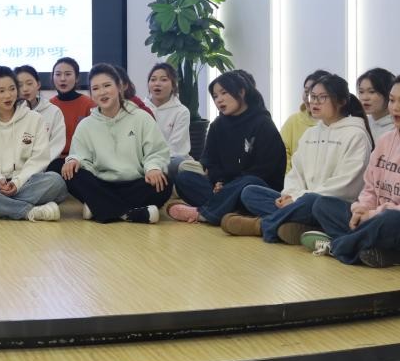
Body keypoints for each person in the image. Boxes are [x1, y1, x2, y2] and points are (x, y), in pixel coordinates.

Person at [296, 72, 400, 267]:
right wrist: (362, 209)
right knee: (323, 204)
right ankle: (378, 251)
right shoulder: (386, 141)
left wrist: (375, 215)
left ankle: (338, 246)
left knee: (392, 221)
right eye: (392, 100)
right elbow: (370, 188)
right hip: (377, 219)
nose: (395, 108)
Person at [221, 73, 372, 242]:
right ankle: (304, 226)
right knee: (250, 192)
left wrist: (298, 199)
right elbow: (296, 172)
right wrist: (290, 195)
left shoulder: (356, 135)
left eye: (322, 97)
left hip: (331, 205)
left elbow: (346, 186)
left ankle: (263, 225)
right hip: (301, 201)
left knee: (314, 201)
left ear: (342, 101)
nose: (314, 102)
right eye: (312, 96)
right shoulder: (311, 133)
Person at [55, 63, 171, 223]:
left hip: (135, 183)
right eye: (95, 88)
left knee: (165, 183)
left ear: (119, 87)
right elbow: (80, 156)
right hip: (101, 184)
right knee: (70, 173)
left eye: (107, 85)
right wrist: (74, 160)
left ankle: (99, 208)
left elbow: (156, 152)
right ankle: (129, 213)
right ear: (91, 94)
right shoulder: (86, 125)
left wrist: (153, 168)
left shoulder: (141, 117)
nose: (102, 92)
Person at [168, 70, 287, 224]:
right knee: (184, 179)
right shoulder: (217, 126)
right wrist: (218, 181)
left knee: (248, 183)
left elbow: (265, 171)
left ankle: (205, 213)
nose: (219, 100)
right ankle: (228, 210)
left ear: (241, 92)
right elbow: (210, 162)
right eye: (215, 96)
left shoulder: (263, 124)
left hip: (255, 188)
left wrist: (229, 184)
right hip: (224, 187)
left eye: (224, 93)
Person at [0, 67, 66, 220]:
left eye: (12, 89)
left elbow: (39, 158)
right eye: (1, 91)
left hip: (25, 182)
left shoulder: (35, 119)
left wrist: (17, 182)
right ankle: (27, 212)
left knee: (56, 182)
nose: (8, 95)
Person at [146, 62, 193, 180]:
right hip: (146, 160)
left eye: (163, 79)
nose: (157, 83)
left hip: (171, 160)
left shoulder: (181, 111)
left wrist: (155, 165)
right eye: (153, 79)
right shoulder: (140, 109)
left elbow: (175, 148)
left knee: (177, 162)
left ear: (173, 85)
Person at [281, 69, 332, 170]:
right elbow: (281, 153)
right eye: (306, 91)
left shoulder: (336, 124)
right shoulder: (293, 121)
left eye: (317, 95)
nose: (309, 98)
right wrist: (291, 176)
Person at [14, 65, 66, 163]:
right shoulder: (9, 112)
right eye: (19, 85)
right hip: (16, 167)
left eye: (29, 83)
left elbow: (56, 145)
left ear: (38, 84)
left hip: (45, 166)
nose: (25, 89)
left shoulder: (53, 111)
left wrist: (36, 165)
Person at [50, 57, 94, 158]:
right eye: (58, 74)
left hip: (82, 158)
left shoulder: (89, 104)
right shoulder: (49, 105)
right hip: (53, 159)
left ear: (77, 78)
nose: (62, 79)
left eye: (68, 74)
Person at [357, 67, 397, 143]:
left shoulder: (397, 127)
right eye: (361, 92)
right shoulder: (362, 123)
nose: (365, 98)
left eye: (372, 92)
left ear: (389, 93)